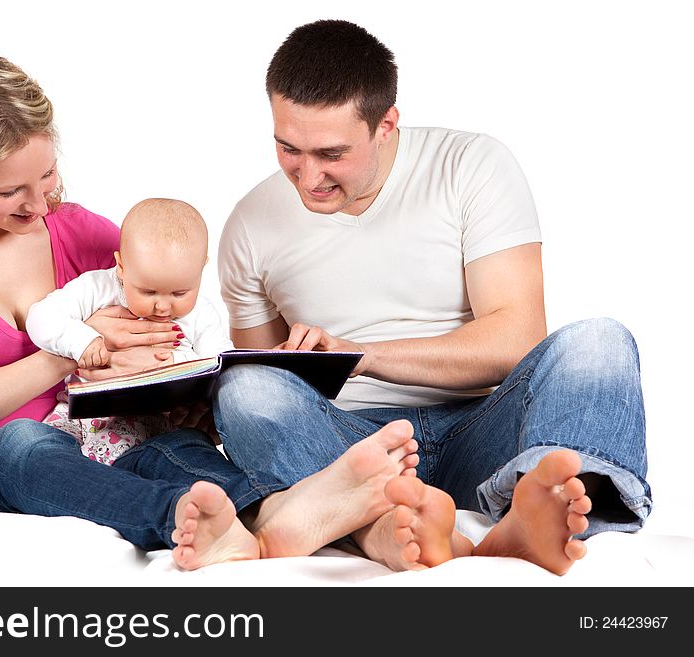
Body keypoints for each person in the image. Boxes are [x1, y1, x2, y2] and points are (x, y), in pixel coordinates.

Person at [0, 52, 421, 572]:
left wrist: (187, 392)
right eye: (12, 191)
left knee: (173, 448)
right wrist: (66, 356)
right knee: (24, 445)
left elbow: (170, 298)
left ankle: (316, 522)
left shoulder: (80, 231)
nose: (41, 205)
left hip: (91, 450)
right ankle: (197, 520)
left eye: (48, 176)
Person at [215, 19, 651, 575]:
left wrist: (359, 355)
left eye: (331, 153)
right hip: (350, 450)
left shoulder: (471, 166)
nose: (308, 176)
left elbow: (517, 340)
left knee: (600, 343)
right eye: (288, 149)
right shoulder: (249, 224)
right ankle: (380, 520)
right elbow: (263, 377)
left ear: (386, 125)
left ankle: (531, 508)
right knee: (244, 387)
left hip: (482, 428)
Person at [26, 197, 233, 464]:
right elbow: (40, 317)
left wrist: (175, 364)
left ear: (201, 268)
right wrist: (81, 341)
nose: (162, 305)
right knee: (43, 451)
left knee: (122, 454)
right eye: (147, 291)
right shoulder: (98, 288)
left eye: (180, 292)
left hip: (150, 419)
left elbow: (221, 368)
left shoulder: (201, 314)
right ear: (121, 267)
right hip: (77, 412)